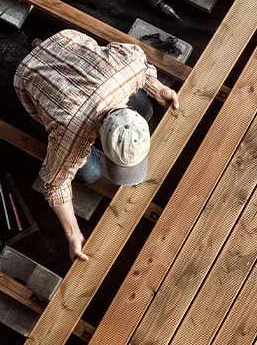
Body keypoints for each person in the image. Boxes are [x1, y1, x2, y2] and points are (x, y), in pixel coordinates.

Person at [13, 29, 179, 262]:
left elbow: (140, 68)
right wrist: (73, 234)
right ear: (99, 136)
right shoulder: (72, 134)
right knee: (90, 172)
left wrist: (157, 88)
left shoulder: (130, 67)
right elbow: (54, 184)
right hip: (30, 74)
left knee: (146, 108)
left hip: (67, 41)